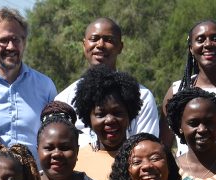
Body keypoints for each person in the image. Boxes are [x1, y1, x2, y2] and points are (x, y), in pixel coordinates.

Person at [0, 7, 57, 159]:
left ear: (24, 42)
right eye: (3, 40)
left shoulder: (45, 86)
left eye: (16, 39)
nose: (11, 46)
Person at [54, 18, 160, 147]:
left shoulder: (142, 97)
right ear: (84, 44)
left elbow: (146, 148)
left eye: (108, 40)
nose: (100, 45)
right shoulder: (64, 99)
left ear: (120, 47)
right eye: (94, 39)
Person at [162, 20, 216, 154]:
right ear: (191, 48)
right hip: (185, 173)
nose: (208, 44)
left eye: (215, 38)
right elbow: (164, 147)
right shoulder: (177, 90)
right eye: (200, 39)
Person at [71, 66, 143, 180]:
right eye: (101, 114)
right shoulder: (76, 160)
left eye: (117, 113)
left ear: (129, 114)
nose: (109, 120)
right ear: (88, 118)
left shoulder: (143, 157)